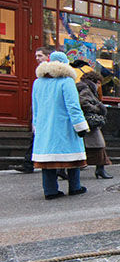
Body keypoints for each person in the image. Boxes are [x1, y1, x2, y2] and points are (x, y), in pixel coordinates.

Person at [31, 51, 89, 200]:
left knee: (47, 160)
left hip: (45, 127)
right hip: (64, 126)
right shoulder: (66, 81)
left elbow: (35, 107)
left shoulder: (38, 82)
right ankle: (75, 186)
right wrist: (81, 126)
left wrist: (36, 126)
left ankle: (50, 190)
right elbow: (73, 106)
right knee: (73, 156)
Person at [14, 46, 53, 174]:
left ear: (48, 56)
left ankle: (29, 163)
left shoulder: (54, 73)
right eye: (36, 56)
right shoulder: (39, 77)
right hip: (41, 112)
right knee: (36, 138)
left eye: (40, 56)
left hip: (50, 112)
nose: (37, 59)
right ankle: (28, 163)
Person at [76, 71, 113, 179]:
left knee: (91, 146)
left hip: (85, 122)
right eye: (99, 83)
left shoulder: (84, 87)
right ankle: (100, 170)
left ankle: (100, 169)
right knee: (98, 145)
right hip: (89, 122)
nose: (99, 86)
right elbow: (84, 103)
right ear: (95, 82)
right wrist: (98, 108)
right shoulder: (86, 89)